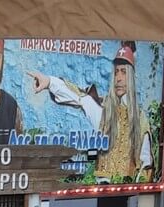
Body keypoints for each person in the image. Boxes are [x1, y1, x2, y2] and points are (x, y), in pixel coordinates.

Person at [29, 42, 152, 183]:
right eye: (116, 72)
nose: (118, 78)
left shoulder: (140, 119)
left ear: (131, 76)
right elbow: (77, 96)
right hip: (101, 187)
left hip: (128, 190)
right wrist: (49, 82)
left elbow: (146, 164)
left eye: (123, 72)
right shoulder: (103, 109)